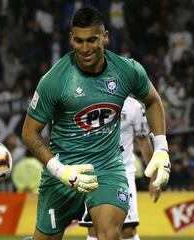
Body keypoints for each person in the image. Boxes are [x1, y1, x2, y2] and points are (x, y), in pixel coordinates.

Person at [21, 6, 170, 240]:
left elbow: (152, 100)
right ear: (71, 39)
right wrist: (60, 171)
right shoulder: (54, 81)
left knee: (110, 234)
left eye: (92, 39)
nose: (85, 48)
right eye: (79, 41)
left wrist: (161, 150)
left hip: (108, 168)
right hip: (63, 171)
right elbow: (30, 133)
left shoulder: (127, 70)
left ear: (106, 37)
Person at [79, 96, 161, 240]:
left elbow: (143, 141)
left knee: (128, 229)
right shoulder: (90, 100)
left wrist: (154, 176)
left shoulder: (134, 106)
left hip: (123, 174)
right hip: (93, 172)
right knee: (93, 229)